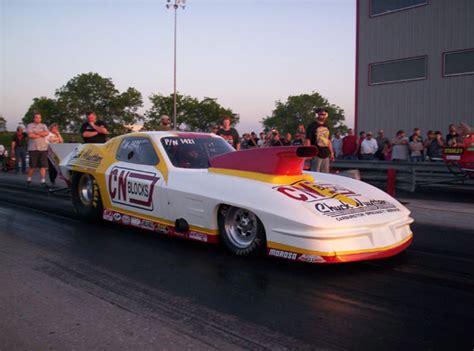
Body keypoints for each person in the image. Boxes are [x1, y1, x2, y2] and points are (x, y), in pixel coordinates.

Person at [305, 108, 334, 173]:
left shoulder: (327, 126)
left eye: (324, 114)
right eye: (321, 114)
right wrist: (309, 153)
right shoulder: (312, 126)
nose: (323, 116)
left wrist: (331, 153)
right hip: (316, 153)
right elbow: (308, 140)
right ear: (318, 114)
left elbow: (328, 141)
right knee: (316, 172)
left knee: (325, 173)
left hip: (326, 153)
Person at [26, 112, 50, 186]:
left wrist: (36, 133)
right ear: (34, 118)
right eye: (36, 117)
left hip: (43, 148)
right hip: (33, 149)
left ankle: (43, 180)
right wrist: (41, 134)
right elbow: (30, 135)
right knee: (32, 165)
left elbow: (46, 133)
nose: (38, 119)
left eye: (39, 117)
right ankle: (29, 179)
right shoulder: (29, 125)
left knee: (43, 166)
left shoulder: (44, 125)